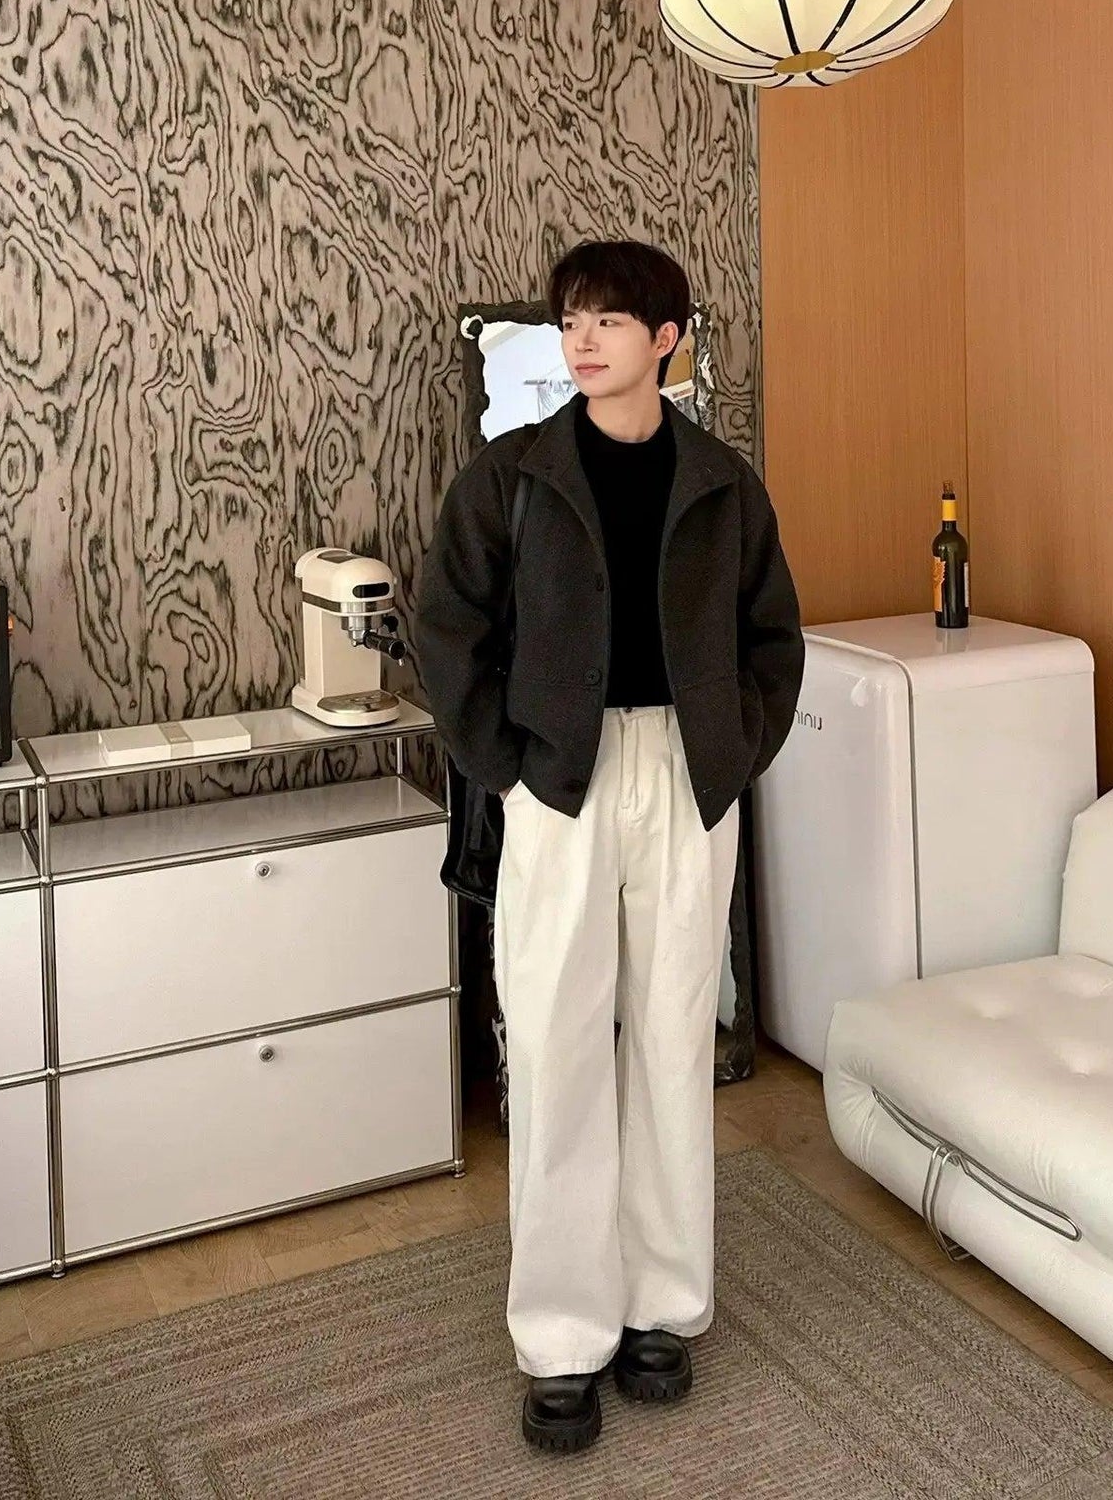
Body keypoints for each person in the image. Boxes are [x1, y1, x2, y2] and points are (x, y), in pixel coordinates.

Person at [416, 240, 804, 1453]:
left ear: (667, 339)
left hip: (685, 778)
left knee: (675, 1038)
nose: (582, 341)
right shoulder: (510, 475)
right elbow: (446, 628)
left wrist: (732, 748)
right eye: (571, 321)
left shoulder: (723, 483)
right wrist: (509, 763)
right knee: (555, 1045)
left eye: (610, 321)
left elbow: (773, 636)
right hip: (561, 779)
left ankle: (662, 1311)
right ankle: (561, 1340)